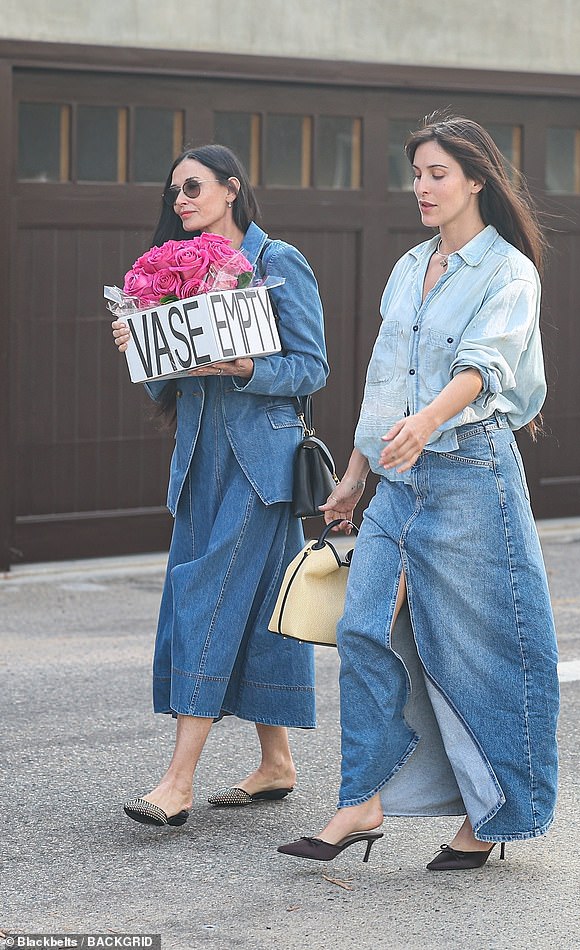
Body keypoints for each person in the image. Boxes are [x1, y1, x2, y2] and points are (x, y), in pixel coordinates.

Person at [278, 113, 559, 869]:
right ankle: (362, 802)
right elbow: (383, 379)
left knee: (477, 651)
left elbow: (483, 368)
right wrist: (355, 474)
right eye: (417, 175)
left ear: (476, 179)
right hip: (399, 478)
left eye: (437, 174)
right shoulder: (410, 266)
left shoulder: (508, 272)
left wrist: (427, 422)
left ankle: (491, 814)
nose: (422, 188)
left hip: (472, 472)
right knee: (364, 628)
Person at [112, 144, 328, 827]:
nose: (179, 200)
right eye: (173, 191)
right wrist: (140, 345)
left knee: (205, 602)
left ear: (231, 189)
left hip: (261, 469)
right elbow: (170, 383)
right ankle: (277, 763)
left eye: (193, 187)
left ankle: (177, 783)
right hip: (198, 462)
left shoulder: (276, 263)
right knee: (261, 609)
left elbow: (310, 369)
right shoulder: (172, 273)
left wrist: (242, 367)